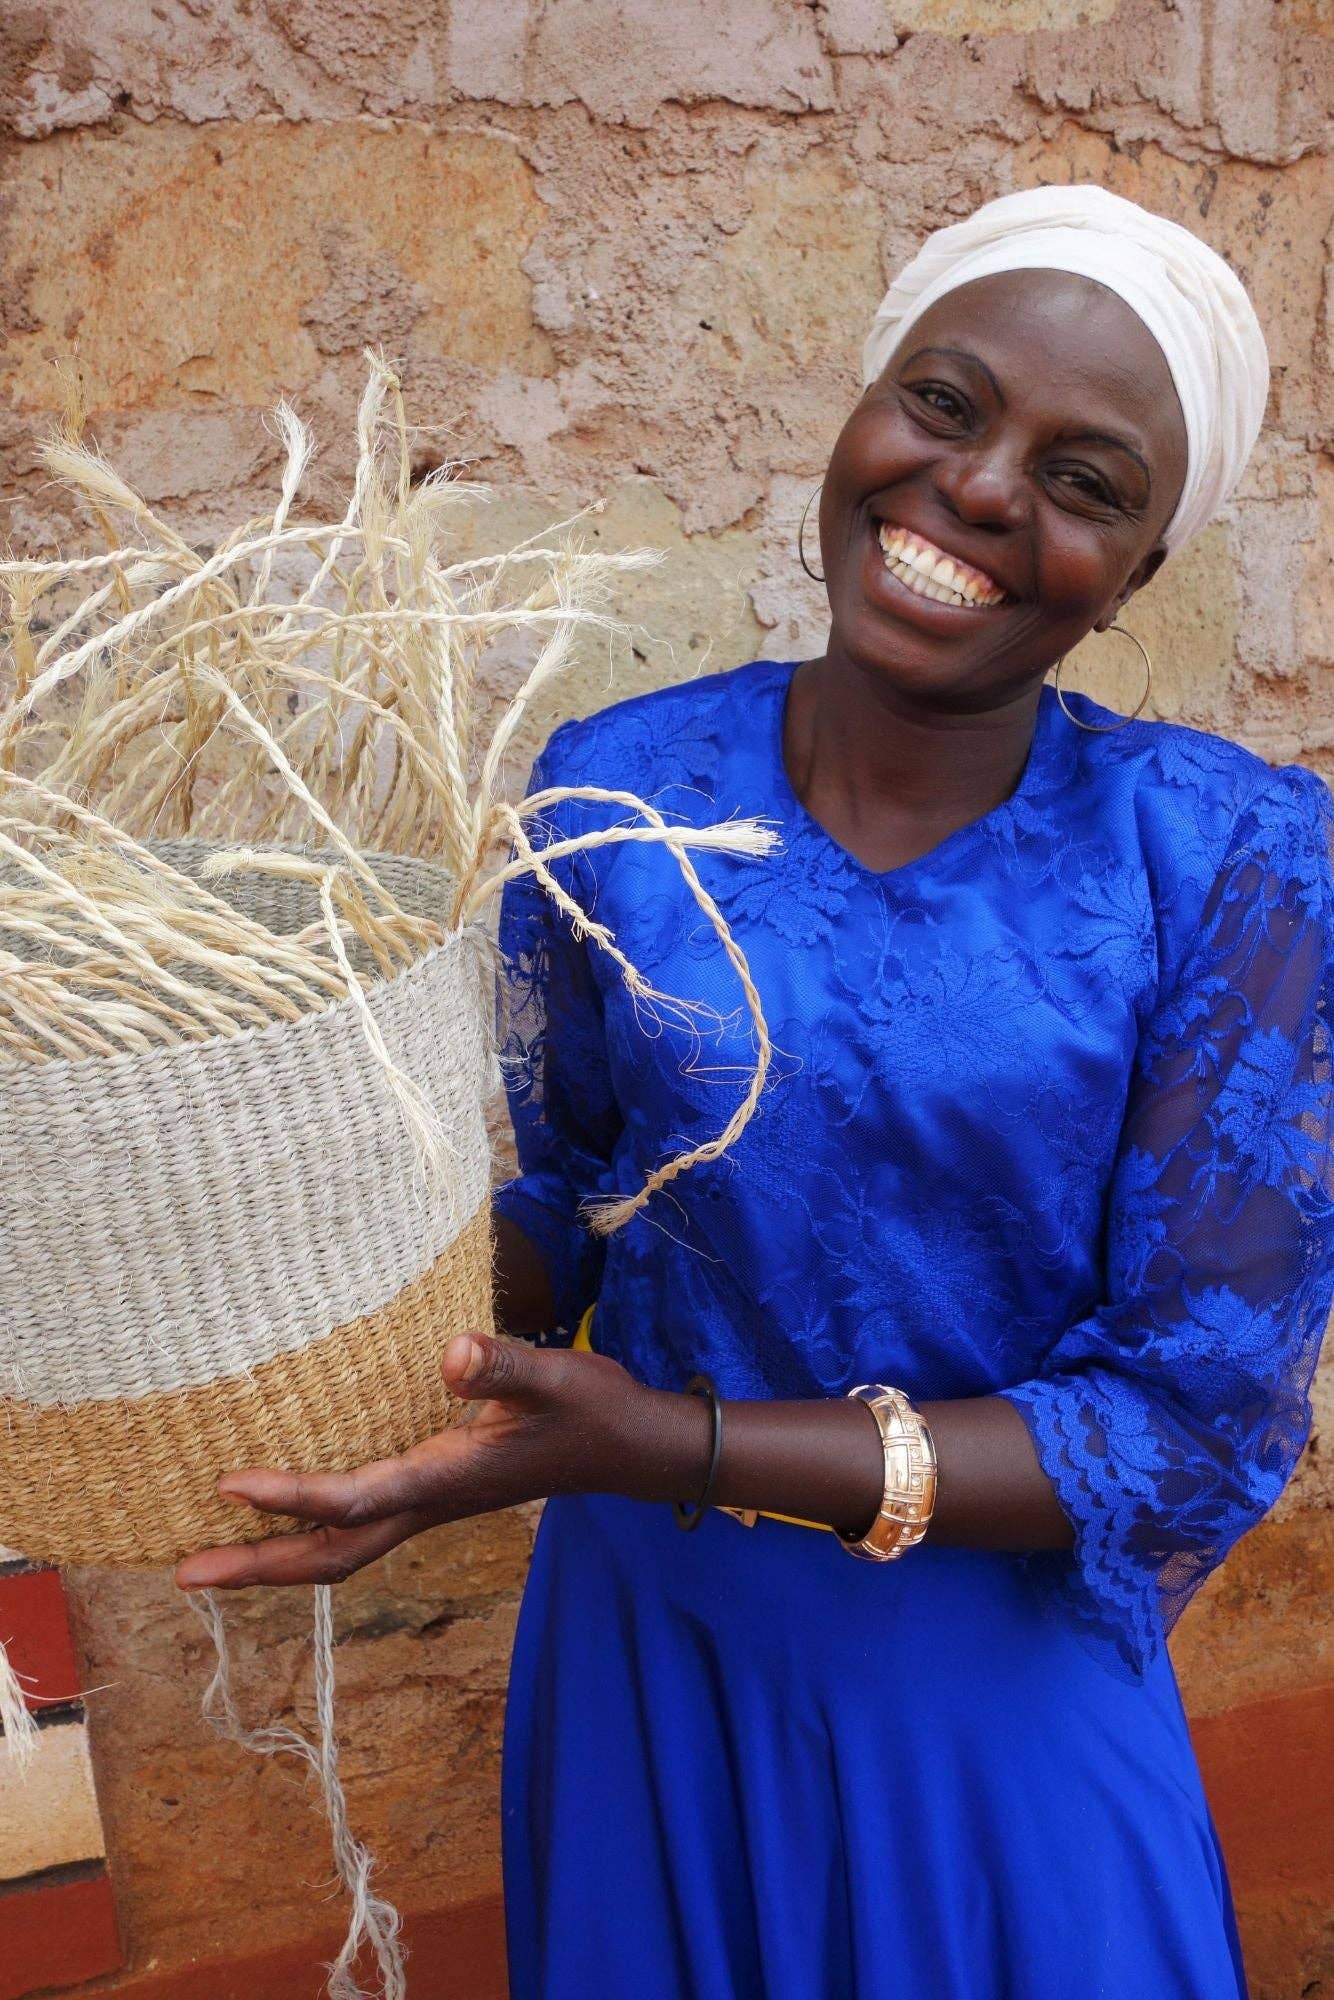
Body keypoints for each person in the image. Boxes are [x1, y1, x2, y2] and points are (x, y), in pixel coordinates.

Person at [178, 186, 1334, 1998]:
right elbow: (569, 1209)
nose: (977, 488)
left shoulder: (1228, 860)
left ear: (1138, 574)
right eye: (945, 405)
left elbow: (1183, 1420)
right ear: (865, 405)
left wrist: (674, 1446)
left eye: (1085, 479)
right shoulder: (616, 791)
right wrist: (325, 1339)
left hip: (976, 1694)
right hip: (649, 1650)